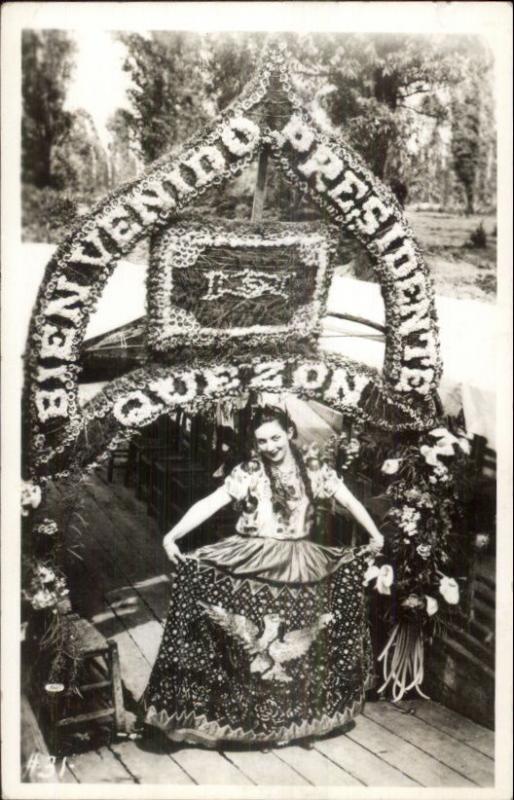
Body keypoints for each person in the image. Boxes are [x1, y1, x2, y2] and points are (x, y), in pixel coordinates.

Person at [140, 405, 384, 747]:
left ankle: (289, 723)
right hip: (251, 556)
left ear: (290, 432)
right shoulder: (250, 471)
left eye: (275, 437)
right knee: (248, 645)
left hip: (299, 560)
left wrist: (376, 535)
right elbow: (211, 502)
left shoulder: (316, 470)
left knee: (296, 639)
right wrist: (172, 535)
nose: (269, 446)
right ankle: (242, 720)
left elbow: (350, 500)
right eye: (262, 441)